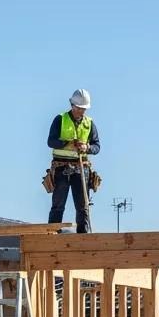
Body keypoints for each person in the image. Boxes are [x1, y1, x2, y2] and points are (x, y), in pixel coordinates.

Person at [46, 88, 101, 233]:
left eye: (83, 109)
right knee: (58, 205)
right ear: (72, 105)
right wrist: (66, 143)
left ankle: (83, 237)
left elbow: (97, 146)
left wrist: (87, 147)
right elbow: (51, 141)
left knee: (83, 207)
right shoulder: (60, 119)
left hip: (81, 168)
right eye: (79, 108)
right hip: (61, 167)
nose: (81, 111)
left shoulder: (89, 123)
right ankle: (52, 235)